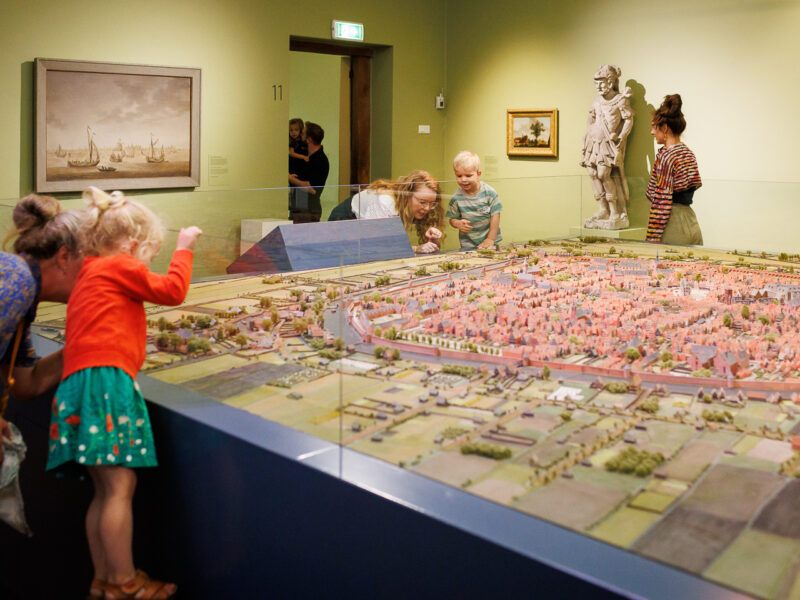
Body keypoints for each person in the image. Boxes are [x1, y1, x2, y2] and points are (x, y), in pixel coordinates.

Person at [45, 186, 202, 600]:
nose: (146, 263)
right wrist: (184, 248)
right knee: (120, 488)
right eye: (150, 253)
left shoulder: (90, 271)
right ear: (133, 245)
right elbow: (172, 291)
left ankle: (104, 579)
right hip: (106, 384)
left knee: (102, 490)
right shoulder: (119, 265)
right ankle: (126, 582)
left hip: (78, 386)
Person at [0, 194, 86, 462]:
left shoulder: (24, 294)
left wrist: (88, 344)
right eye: (90, 265)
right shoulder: (18, 281)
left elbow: (26, 384)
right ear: (63, 257)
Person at [580, 64, 634, 228]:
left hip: (608, 143)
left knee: (604, 174)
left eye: (602, 82)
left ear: (611, 82)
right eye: (596, 83)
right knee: (592, 172)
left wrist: (620, 136)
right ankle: (602, 209)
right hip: (594, 141)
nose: (599, 86)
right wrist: (589, 132)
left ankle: (614, 211)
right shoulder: (596, 100)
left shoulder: (620, 100)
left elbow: (629, 119)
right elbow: (591, 118)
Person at [646, 94, 703, 245]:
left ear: (665, 129)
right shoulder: (688, 153)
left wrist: (651, 240)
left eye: (654, 127)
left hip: (672, 225)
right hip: (692, 222)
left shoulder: (666, 157)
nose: (652, 132)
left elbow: (661, 202)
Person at [351, 170, 445, 253]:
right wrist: (416, 249)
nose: (427, 208)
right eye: (422, 202)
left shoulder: (415, 207)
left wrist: (432, 241)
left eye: (432, 203)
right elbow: (376, 245)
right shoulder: (386, 201)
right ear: (408, 194)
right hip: (347, 222)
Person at [446, 151, 503, 250]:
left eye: (468, 176)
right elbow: (452, 219)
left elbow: (496, 216)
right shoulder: (456, 197)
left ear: (478, 174)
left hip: (490, 241)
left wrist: (490, 239)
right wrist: (457, 223)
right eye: (459, 176)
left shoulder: (489, 192)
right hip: (468, 244)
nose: (463, 179)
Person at [288, 121, 329, 223]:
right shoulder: (307, 157)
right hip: (299, 207)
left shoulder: (320, 161)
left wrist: (289, 178)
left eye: (303, 133)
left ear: (309, 140)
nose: (300, 134)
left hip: (308, 211)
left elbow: (311, 189)